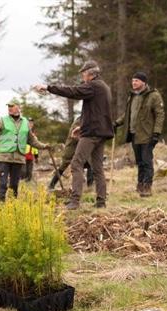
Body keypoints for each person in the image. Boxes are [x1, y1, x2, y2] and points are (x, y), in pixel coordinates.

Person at [35, 60, 114, 209]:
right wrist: (81, 126)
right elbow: (95, 111)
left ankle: (75, 201)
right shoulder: (104, 87)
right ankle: (101, 201)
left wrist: (48, 87)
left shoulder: (93, 86)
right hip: (100, 132)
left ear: (90, 74)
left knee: (76, 163)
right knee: (97, 168)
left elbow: (73, 92)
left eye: (83, 74)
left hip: (91, 133)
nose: (82, 77)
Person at [0, 99, 50, 201]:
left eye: (12, 106)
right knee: (3, 183)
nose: (9, 108)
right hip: (4, 157)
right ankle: (0, 203)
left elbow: (32, 140)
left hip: (18, 158)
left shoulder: (26, 123)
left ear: (19, 108)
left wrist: (44, 146)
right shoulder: (2, 120)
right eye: (8, 107)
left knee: (14, 184)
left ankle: (12, 204)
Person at [114, 72, 165, 197]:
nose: (134, 83)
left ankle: (147, 188)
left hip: (147, 135)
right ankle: (140, 185)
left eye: (136, 81)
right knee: (140, 162)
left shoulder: (154, 96)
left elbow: (160, 115)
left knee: (147, 161)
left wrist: (156, 133)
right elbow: (127, 115)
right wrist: (116, 123)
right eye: (133, 81)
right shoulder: (132, 97)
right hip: (134, 135)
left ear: (143, 82)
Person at [47, 115, 94, 191]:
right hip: (70, 150)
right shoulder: (78, 122)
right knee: (63, 167)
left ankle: (90, 187)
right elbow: (76, 135)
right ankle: (51, 185)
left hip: (79, 150)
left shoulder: (86, 122)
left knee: (90, 165)